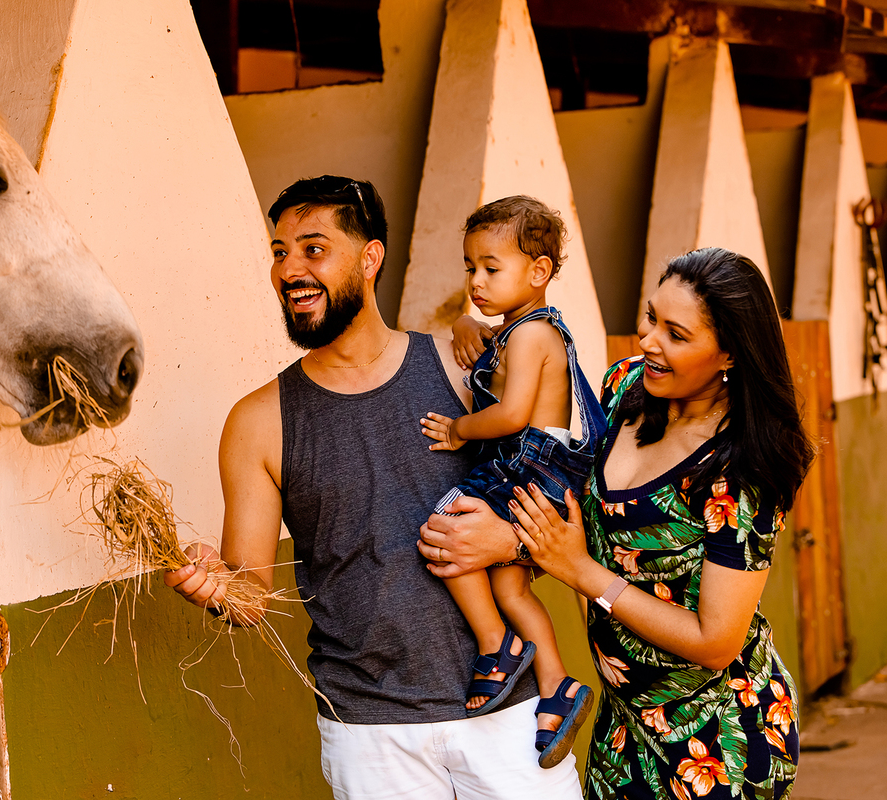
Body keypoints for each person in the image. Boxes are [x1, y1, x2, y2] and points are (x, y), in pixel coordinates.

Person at [165, 175, 583, 800]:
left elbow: (559, 491)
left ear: (369, 258)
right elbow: (251, 595)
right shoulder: (256, 423)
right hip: (369, 734)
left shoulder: (463, 370)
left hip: (509, 713)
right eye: (279, 253)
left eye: (313, 249)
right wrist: (216, 588)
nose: (290, 270)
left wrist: (509, 542)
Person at [421, 247, 812, 799]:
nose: (648, 340)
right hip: (622, 724)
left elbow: (715, 642)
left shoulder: (738, 469)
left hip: (717, 738)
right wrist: (512, 541)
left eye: (676, 335)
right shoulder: (625, 387)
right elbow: (571, 506)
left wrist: (580, 571)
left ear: (729, 353)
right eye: (651, 317)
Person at [418, 196, 598, 768]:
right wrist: (466, 323)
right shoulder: (523, 330)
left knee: (444, 528)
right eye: (470, 267)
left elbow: (514, 413)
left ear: (539, 271)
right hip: (541, 477)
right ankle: (558, 684)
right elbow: (485, 341)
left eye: (491, 268)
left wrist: (459, 430)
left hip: (525, 470)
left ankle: (496, 645)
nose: (476, 280)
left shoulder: (529, 336)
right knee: (512, 590)